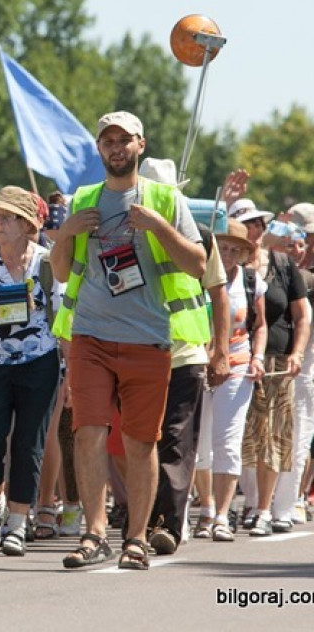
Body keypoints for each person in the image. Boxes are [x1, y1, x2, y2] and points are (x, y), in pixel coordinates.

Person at [51, 112, 208, 571]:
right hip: (91, 336)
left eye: (124, 140)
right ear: (99, 149)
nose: (115, 147)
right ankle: (94, 533)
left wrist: (158, 226)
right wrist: (66, 232)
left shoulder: (165, 198)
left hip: (148, 339)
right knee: (88, 433)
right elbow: (61, 271)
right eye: (107, 141)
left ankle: (135, 538)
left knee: (141, 443)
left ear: (141, 144)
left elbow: (197, 265)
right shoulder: (83, 199)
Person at [0, 186, 63, 556]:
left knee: (28, 443)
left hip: (40, 362)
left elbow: (61, 319)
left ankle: (17, 523)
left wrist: (70, 371)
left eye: (6, 217)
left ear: (26, 224)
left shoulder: (49, 263)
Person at [136, 158, 230, 556]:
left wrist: (221, 350)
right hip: (139, 349)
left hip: (185, 352)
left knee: (176, 441)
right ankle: (140, 516)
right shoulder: (126, 232)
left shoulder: (201, 237)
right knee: (141, 441)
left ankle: (167, 525)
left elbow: (219, 293)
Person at [229, 198, 310, 535]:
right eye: (248, 224)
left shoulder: (281, 264)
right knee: (241, 437)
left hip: (276, 359)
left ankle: (265, 509)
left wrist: (297, 353)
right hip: (235, 359)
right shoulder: (230, 266)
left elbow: (302, 314)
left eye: (259, 224)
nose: (255, 230)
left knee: (274, 436)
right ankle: (246, 504)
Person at [194, 219, 265, 542]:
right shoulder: (196, 276)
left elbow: (260, 325)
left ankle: (223, 515)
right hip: (197, 364)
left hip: (236, 365)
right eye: (224, 248)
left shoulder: (250, 281)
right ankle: (205, 508)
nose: (230, 254)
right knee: (198, 445)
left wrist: (258, 357)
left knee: (227, 441)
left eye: (237, 250)